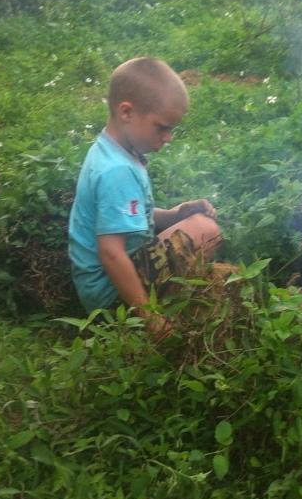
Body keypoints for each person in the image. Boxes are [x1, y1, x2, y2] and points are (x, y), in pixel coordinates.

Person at [68, 57, 221, 338]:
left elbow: (127, 220)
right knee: (206, 231)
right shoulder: (117, 172)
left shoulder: (113, 151)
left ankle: (174, 294)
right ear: (126, 112)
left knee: (194, 223)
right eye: (162, 127)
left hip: (102, 285)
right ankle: (150, 312)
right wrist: (149, 318)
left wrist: (175, 214)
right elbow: (111, 253)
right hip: (109, 299)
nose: (168, 137)